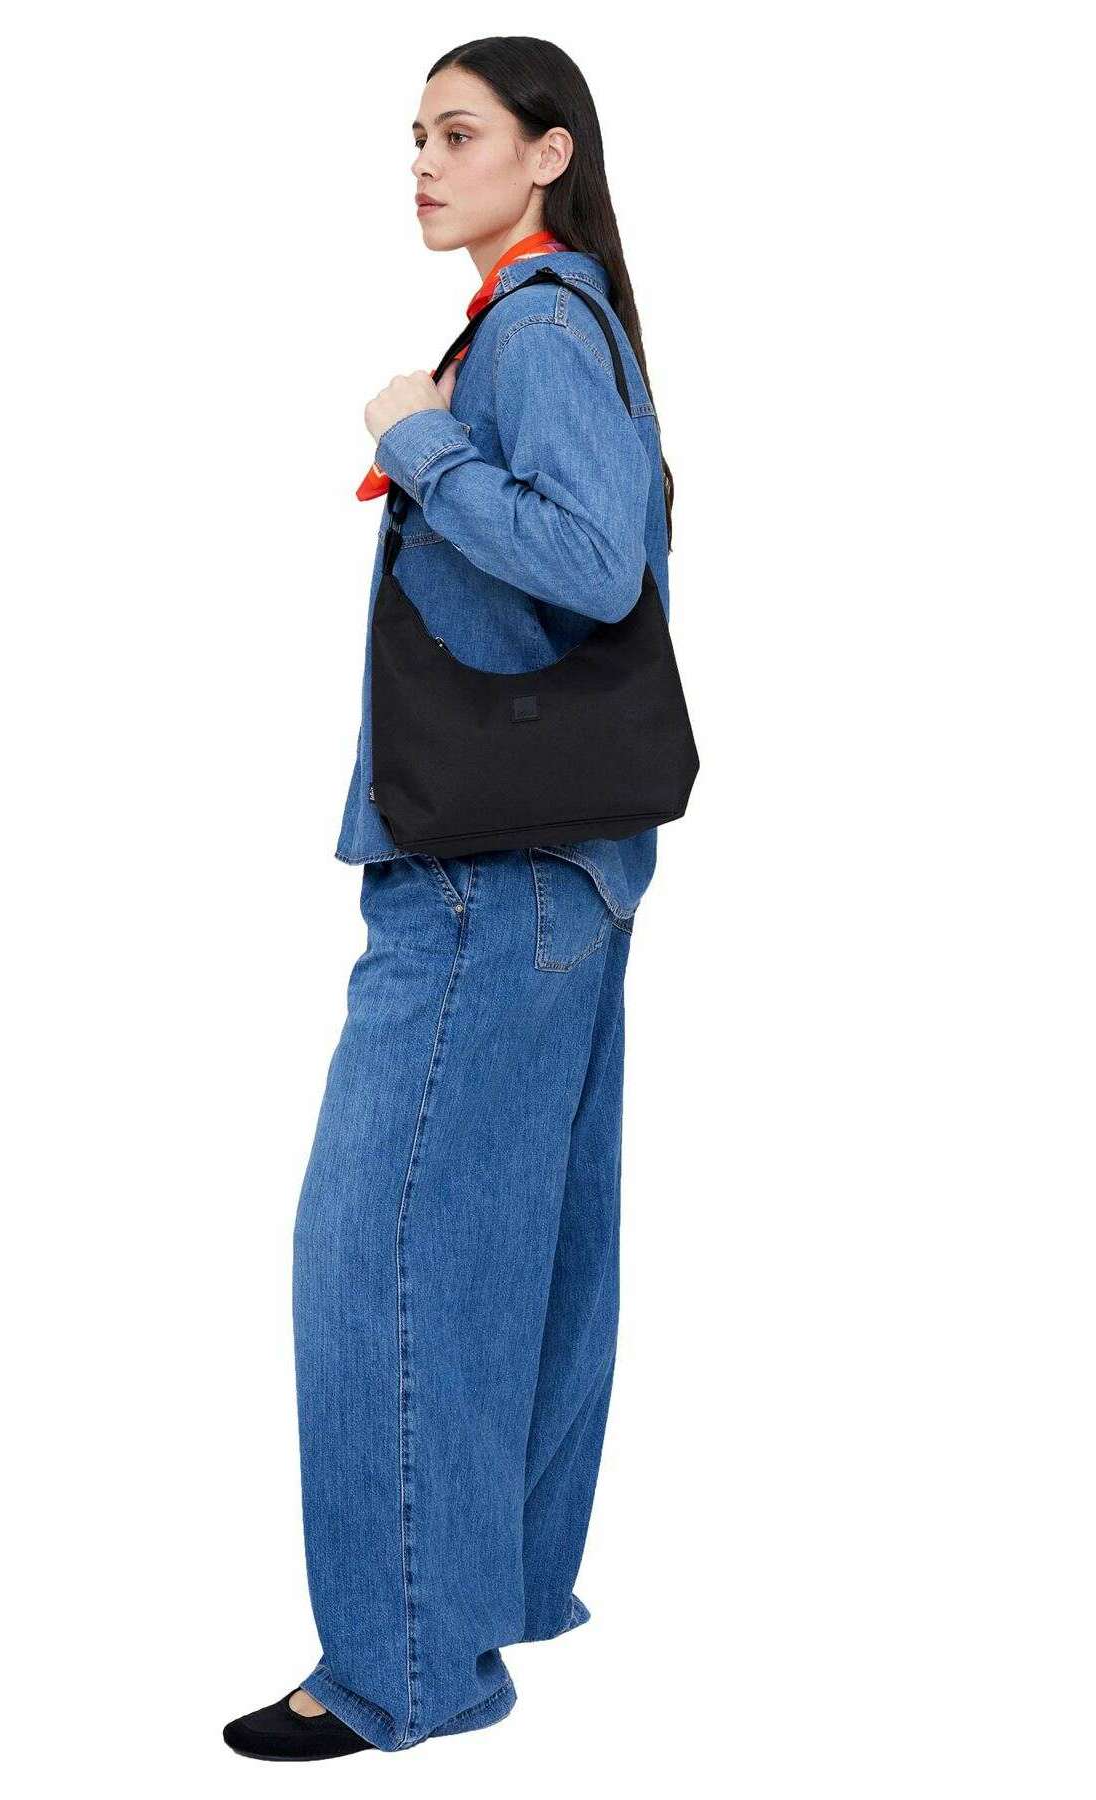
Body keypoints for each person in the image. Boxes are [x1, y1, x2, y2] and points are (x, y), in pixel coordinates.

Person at [223, 36, 678, 1761]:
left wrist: (418, 440)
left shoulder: (537, 327)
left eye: (461, 132)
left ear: (548, 154)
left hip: (487, 882)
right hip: (549, 870)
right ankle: (474, 1612)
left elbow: (596, 563)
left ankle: (402, 1670)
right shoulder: (547, 322)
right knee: (512, 1260)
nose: (423, 160)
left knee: (379, 1259)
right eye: (414, 133)